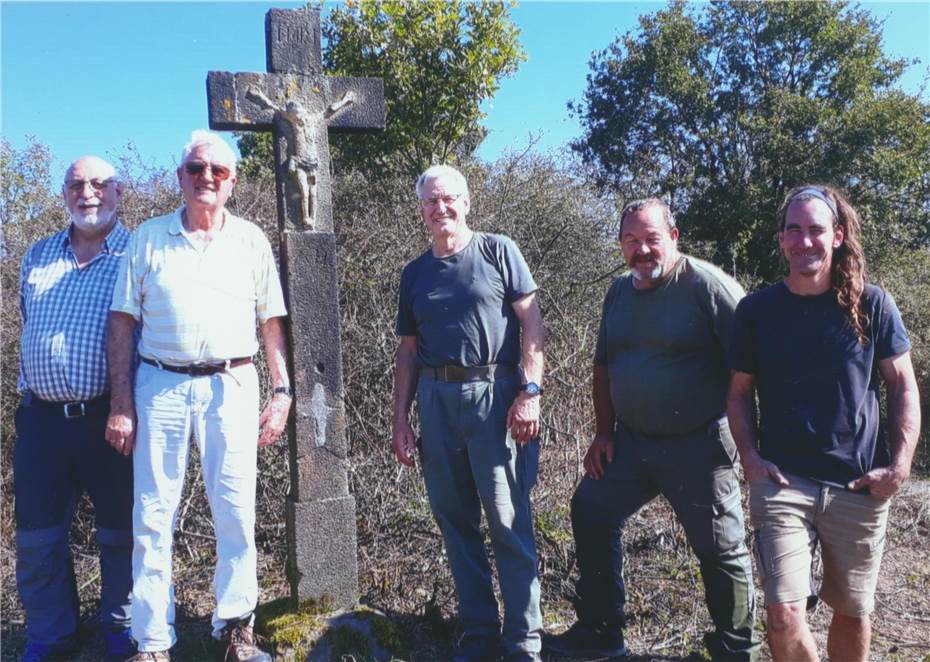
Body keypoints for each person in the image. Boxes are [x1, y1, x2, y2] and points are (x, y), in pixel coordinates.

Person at [106, 130, 293, 662]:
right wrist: (121, 403)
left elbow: (271, 323)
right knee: (152, 514)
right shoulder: (148, 237)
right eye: (195, 169)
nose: (205, 178)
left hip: (231, 384)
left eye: (217, 171)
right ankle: (153, 641)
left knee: (235, 511)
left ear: (232, 181)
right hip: (159, 384)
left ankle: (236, 629)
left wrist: (281, 391)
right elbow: (122, 324)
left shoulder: (251, 240)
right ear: (180, 178)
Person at [546, 199, 759, 661]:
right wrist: (604, 433)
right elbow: (603, 365)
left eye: (651, 239)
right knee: (591, 509)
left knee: (720, 546)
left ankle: (737, 649)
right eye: (630, 241)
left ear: (674, 237)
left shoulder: (709, 287)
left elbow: (752, 367)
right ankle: (601, 631)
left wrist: (754, 445)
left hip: (700, 445)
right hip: (633, 444)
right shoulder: (620, 292)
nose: (642, 250)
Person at [726, 184, 921, 662]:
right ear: (781, 240)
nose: (804, 240)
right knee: (783, 612)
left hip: (858, 483)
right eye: (794, 230)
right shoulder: (756, 311)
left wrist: (899, 467)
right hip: (782, 482)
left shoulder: (872, 304)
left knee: (853, 611)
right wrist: (749, 458)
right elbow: (737, 393)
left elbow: (903, 387)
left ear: (836, 236)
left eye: (815, 230)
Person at [391, 165, 545, 662]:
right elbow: (408, 352)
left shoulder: (499, 250)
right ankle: (478, 631)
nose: (441, 209)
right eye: (431, 202)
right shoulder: (414, 274)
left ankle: (523, 640)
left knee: (507, 518)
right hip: (436, 401)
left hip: (495, 394)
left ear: (466, 201)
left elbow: (532, 325)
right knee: (455, 521)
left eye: (449, 199)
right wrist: (400, 420)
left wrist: (530, 391)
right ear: (421, 211)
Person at [14, 156, 136, 662]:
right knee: (38, 535)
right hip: (41, 419)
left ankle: (120, 629)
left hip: (110, 416)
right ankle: (52, 634)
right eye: (77, 185)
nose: (88, 193)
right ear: (64, 194)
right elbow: (27, 319)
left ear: (118, 193)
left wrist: (124, 404)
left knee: (120, 531)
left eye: (99, 184)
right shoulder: (38, 256)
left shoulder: (138, 254)